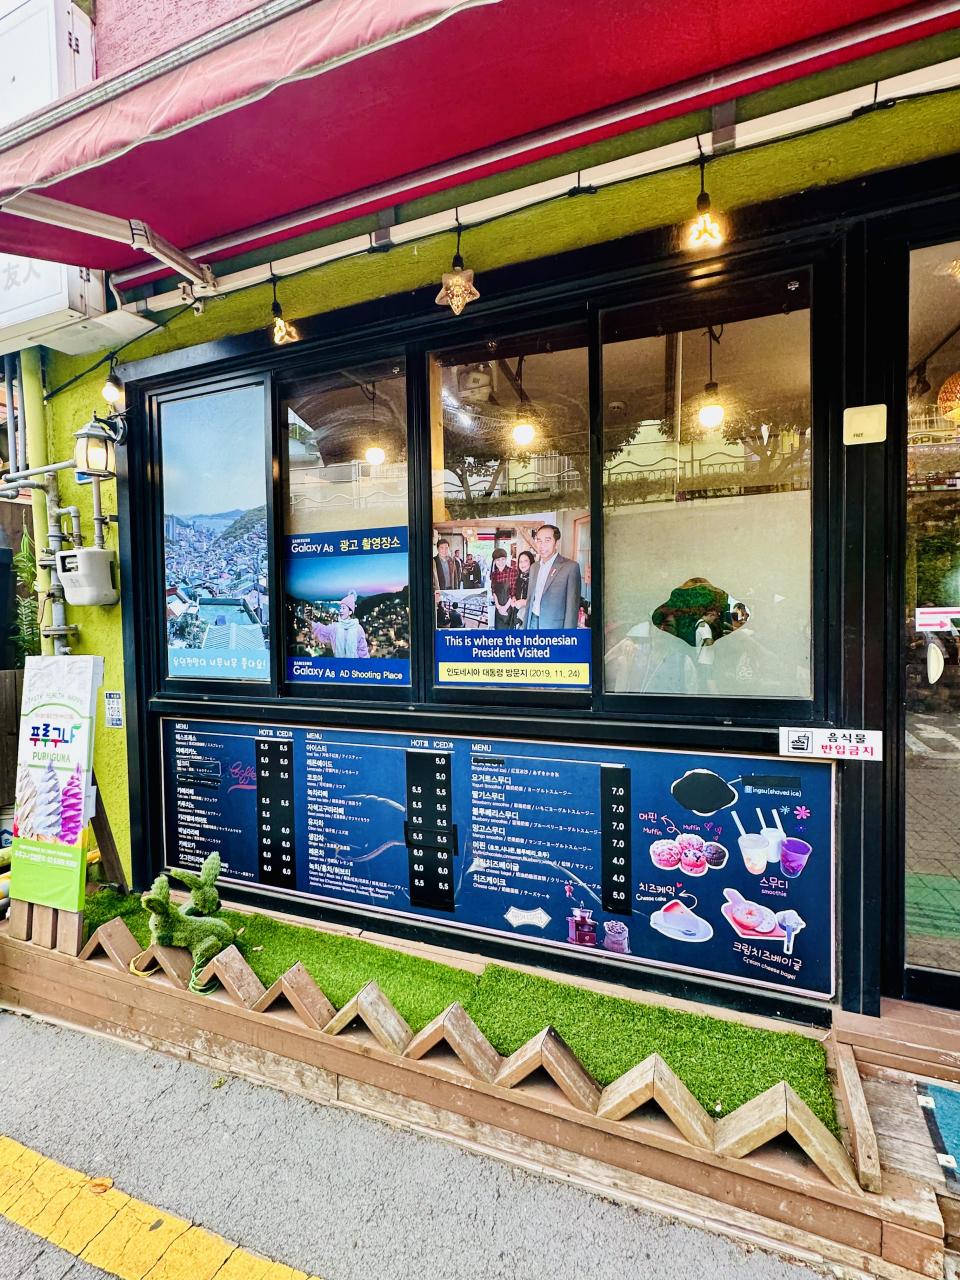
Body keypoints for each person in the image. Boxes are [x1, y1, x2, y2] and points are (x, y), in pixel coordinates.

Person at [525, 525, 581, 631]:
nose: (542, 545)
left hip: (554, 627)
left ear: (556, 543)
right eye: (539, 540)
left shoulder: (570, 567)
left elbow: (572, 609)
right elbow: (530, 599)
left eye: (547, 540)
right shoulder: (534, 567)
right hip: (532, 622)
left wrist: (569, 636)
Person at [311, 591, 369, 658]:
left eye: (343, 608)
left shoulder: (358, 629)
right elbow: (322, 629)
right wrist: (308, 620)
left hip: (354, 664)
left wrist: (365, 663)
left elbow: (363, 650)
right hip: (338, 663)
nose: (341, 611)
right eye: (340, 608)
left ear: (350, 612)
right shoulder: (335, 627)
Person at [489, 547, 518, 628]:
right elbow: (493, 591)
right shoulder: (494, 574)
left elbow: (513, 592)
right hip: (498, 608)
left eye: (503, 559)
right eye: (498, 560)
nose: (500, 562)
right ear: (494, 561)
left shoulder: (513, 571)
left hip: (509, 608)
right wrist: (498, 607)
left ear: (506, 559)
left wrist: (504, 608)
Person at [510, 550, 534, 627]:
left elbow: (540, 599)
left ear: (531, 562)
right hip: (518, 615)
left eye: (525, 561)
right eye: (520, 561)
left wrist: (525, 602)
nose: (522, 564)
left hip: (531, 616)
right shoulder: (519, 577)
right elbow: (515, 593)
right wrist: (513, 598)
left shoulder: (536, 577)